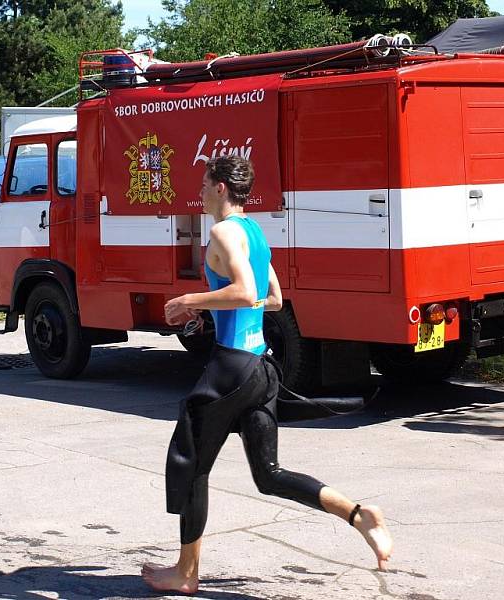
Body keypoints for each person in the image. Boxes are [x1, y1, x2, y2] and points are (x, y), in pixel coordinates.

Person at [142, 156, 392, 594]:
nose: (198, 192)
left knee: (191, 463)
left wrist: (192, 300)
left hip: (232, 367)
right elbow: (273, 298)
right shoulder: (256, 232)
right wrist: (219, 307)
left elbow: (246, 292)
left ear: (221, 188)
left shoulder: (223, 231)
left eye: (204, 184)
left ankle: (185, 573)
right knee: (269, 474)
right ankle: (359, 515)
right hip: (259, 365)